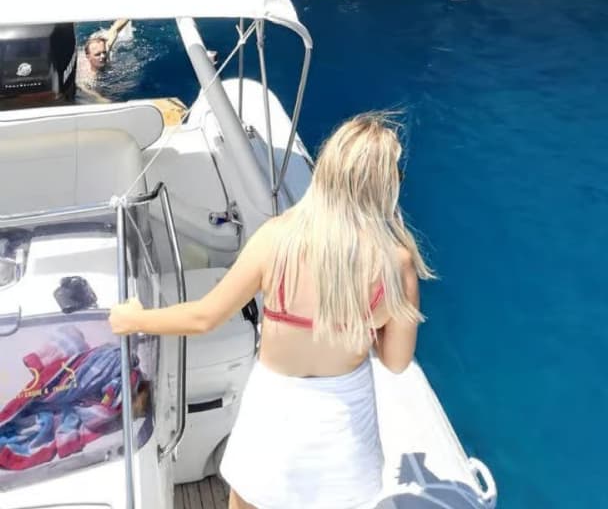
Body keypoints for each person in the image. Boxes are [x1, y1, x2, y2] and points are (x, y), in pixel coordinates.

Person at [109, 112, 432, 509]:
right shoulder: (396, 263)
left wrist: (134, 319)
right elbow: (397, 362)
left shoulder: (278, 238)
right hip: (346, 435)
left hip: (274, 416)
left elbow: (204, 317)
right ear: (382, 187)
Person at [75, 18, 130, 94]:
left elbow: (115, 29)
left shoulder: (105, 48)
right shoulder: (89, 76)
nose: (103, 56)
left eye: (103, 52)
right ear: (88, 56)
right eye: (97, 55)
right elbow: (86, 91)